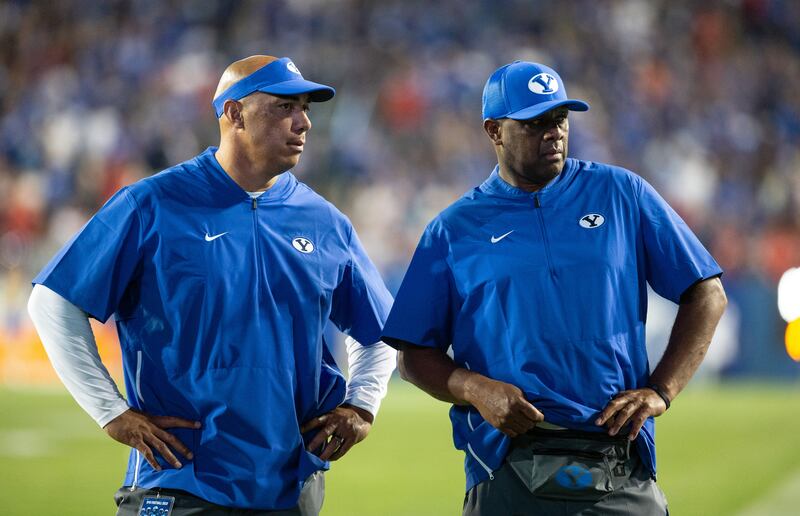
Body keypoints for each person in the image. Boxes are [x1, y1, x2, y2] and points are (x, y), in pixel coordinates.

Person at [27, 55, 396, 515]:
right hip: (180, 480)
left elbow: (381, 330)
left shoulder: (325, 221)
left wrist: (361, 405)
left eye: (306, 109)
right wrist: (111, 412)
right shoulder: (152, 204)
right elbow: (52, 301)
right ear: (234, 113)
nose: (303, 123)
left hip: (291, 486)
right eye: (284, 107)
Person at [381, 61, 727, 515]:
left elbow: (707, 292)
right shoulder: (452, 230)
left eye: (560, 118)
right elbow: (414, 356)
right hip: (506, 465)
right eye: (535, 123)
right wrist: (475, 388)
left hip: (618, 460)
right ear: (494, 131)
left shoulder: (622, 194)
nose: (554, 132)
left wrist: (662, 390)